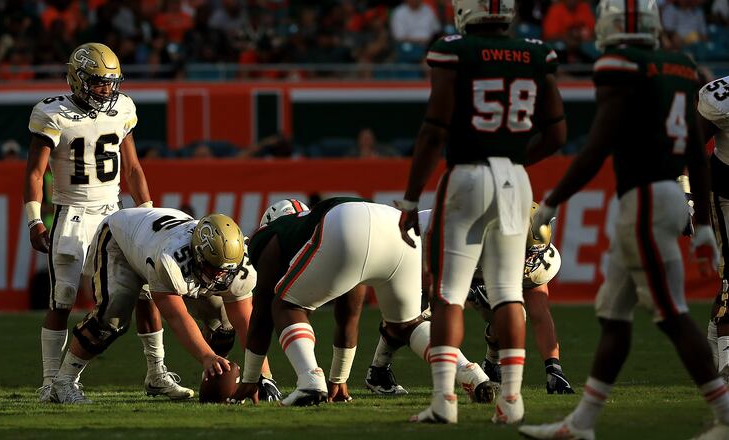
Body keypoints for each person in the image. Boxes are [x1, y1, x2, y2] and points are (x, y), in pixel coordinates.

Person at [519, 0, 729, 438]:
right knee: (613, 312)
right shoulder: (680, 64)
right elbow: (696, 153)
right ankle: (582, 423)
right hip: (663, 194)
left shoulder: (618, 65)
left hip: (647, 198)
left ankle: (727, 416)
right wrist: (706, 225)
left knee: (671, 314)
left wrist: (555, 199)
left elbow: (599, 143)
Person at [395, 0, 566, 425]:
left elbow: (434, 128)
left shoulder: (454, 50)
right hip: (514, 180)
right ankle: (511, 401)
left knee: (449, 292)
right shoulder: (535, 52)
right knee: (509, 292)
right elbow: (558, 132)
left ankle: (443, 401)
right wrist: (513, 157)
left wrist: (412, 198)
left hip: (468, 175)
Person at [24, 43, 191, 403]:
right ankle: (51, 383)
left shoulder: (123, 108)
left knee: (146, 291)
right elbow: (35, 172)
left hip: (114, 215)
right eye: (98, 82)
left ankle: (156, 372)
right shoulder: (53, 114)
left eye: (111, 83)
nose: (106, 90)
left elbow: (132, 168)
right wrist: (35, 220)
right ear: (77, 79)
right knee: (62, 299)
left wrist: (146, 213)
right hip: (72, 215)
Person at [229, 198, 493, 406]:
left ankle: (309, 380)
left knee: (285, 305)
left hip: (348, 223)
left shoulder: (274, 233)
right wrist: (339, 379)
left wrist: (251, 379)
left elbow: (262, 311)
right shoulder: (312, 222)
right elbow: (350, 311)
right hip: (396, 227)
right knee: (407, 325)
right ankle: (470, 373)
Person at [368, 204, 575, 396]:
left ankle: (493, 365)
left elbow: (540, 315)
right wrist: (465, 292)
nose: (529, 261)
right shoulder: (458, 237)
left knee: (514, 314)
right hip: (416, 249)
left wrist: (553, 367)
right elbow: (426, 285)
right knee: (413, 312)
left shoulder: (534, 262)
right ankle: (378, 370)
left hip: (469, 274)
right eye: (524, 253)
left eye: (532, 253)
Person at [49, 210, 247, 403]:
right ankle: (64, 381)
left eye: (224, 270)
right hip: (120, 239)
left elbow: (246, 320)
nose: (219, 276)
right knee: (110, 320)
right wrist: (207, 356)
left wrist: (261, 376)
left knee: (223, 323)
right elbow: (177, 316)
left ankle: (158, 376)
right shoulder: (170, 259)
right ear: (197, 254)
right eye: (213, 268)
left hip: (150, 240)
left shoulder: (236, 262)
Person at [698, 75, 729, 384]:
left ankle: (714, 355)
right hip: (726, 193)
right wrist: (685, 190)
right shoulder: (721, 96)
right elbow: (692, 145)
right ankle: (727, 364)